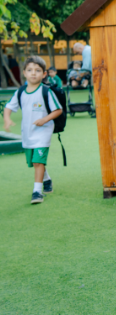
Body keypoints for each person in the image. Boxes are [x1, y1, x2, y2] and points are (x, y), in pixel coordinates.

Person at [3, 56, 63, 204]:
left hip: (43, 133)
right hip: (28, 134)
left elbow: (58, 110)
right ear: (24, 73)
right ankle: (47, 180)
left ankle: (37, 192)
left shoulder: (46, 91)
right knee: (35, 162)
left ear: (44, 74)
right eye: (30, 70)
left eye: (37, 70)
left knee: (37, 162)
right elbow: (9, 107)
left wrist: (44, 119)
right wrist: (7, 119)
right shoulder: (20, 91)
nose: (33, 73)